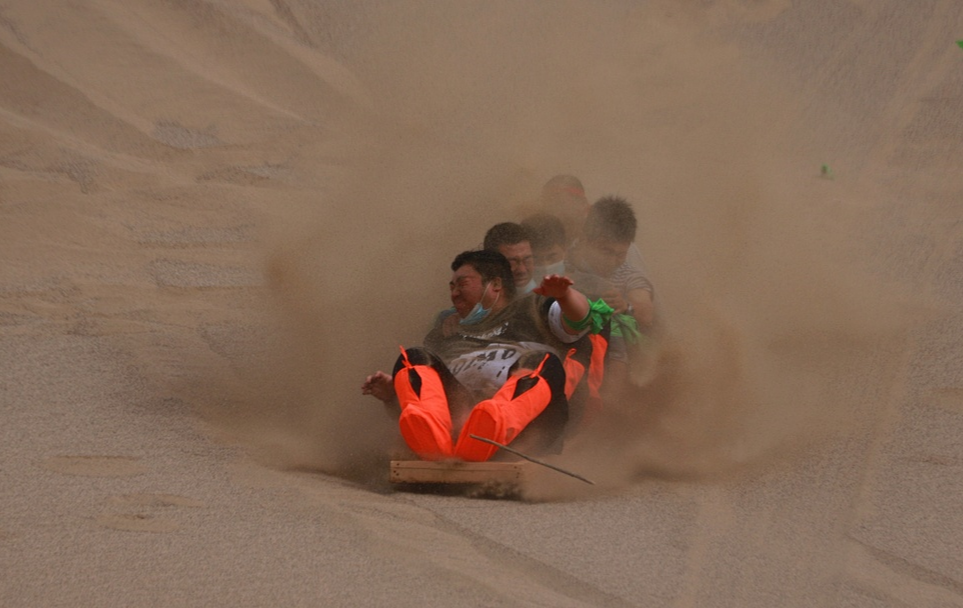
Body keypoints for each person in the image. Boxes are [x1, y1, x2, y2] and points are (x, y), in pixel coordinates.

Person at [361, 249, 610, 462]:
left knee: (541, 362)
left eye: (462, 284)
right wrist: (394, 394)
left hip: (525, 424)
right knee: (412, 357)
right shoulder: (446, 333)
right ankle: (435, 444)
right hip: (459, 421)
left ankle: (493, 424)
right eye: (451, 286)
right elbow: (428, 393)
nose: (454, 293)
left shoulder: (530, 309)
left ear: (495, 285)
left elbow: (580, 321)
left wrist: (564, 295)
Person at [482, 222, 537, 295]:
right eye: (511, 263)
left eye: (527, 260)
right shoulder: (476, 302)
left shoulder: (550, 301)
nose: (522, 270)